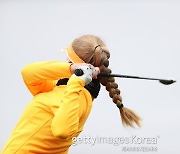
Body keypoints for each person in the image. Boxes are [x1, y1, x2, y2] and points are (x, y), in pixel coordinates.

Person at [2, 34, 141, 154]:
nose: (65, 61)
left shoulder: (77, 96)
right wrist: (71, 69)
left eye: (68, 58)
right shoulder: (61, 89)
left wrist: (75, 81)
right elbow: (28, 72)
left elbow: (62, 131)